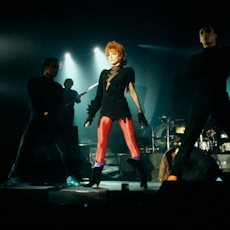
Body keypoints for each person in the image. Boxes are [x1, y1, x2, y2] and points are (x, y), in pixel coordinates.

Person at [3, 58, 82, 186]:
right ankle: (15, 176)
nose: (56, 69)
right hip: (36, 120)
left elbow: (57, 106)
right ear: (46, 67)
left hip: (51, 121)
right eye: (53, 67)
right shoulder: (34, 82)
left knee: (64, 147)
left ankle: (70, 176)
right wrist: (43, 112)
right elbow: (32, 101)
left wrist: (51, 114)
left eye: (57, 67)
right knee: (24, 148)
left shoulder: (57, 87)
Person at [169, 23, 230, 181]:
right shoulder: (195, 59)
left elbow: (222, 71)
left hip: (219, 98)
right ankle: (174, 174)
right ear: (199, 38)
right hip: (201, 98)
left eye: (208, 31)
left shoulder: (224, 53)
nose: (204, 35)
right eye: (201, 33)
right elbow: (195, 76)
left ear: (215, 35)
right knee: (189, 137)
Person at [84, 41, 149, 188]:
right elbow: (99, 95)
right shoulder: (103, 73)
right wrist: (90, 115)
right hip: (106, 109)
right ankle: (95, 178)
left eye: (114, 54)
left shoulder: (128, 71)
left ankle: (142, 178)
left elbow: (132, 91)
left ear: (120, 56)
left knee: (131, 141)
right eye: (109, 54)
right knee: (101, 143)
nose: (110, 57)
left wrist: (139, 110)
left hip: (121, 109)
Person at [59, 78, 81, 144]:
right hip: (61, 110)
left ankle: (68, 140)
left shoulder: (74, 92)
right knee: (61, 125)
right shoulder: (61, 91)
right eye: (68, 83)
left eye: (71, 83)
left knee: (69, 125)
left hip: (70, 111)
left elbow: (78, 101)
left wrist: (78, 98)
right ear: (65, 83)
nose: (69, 84)